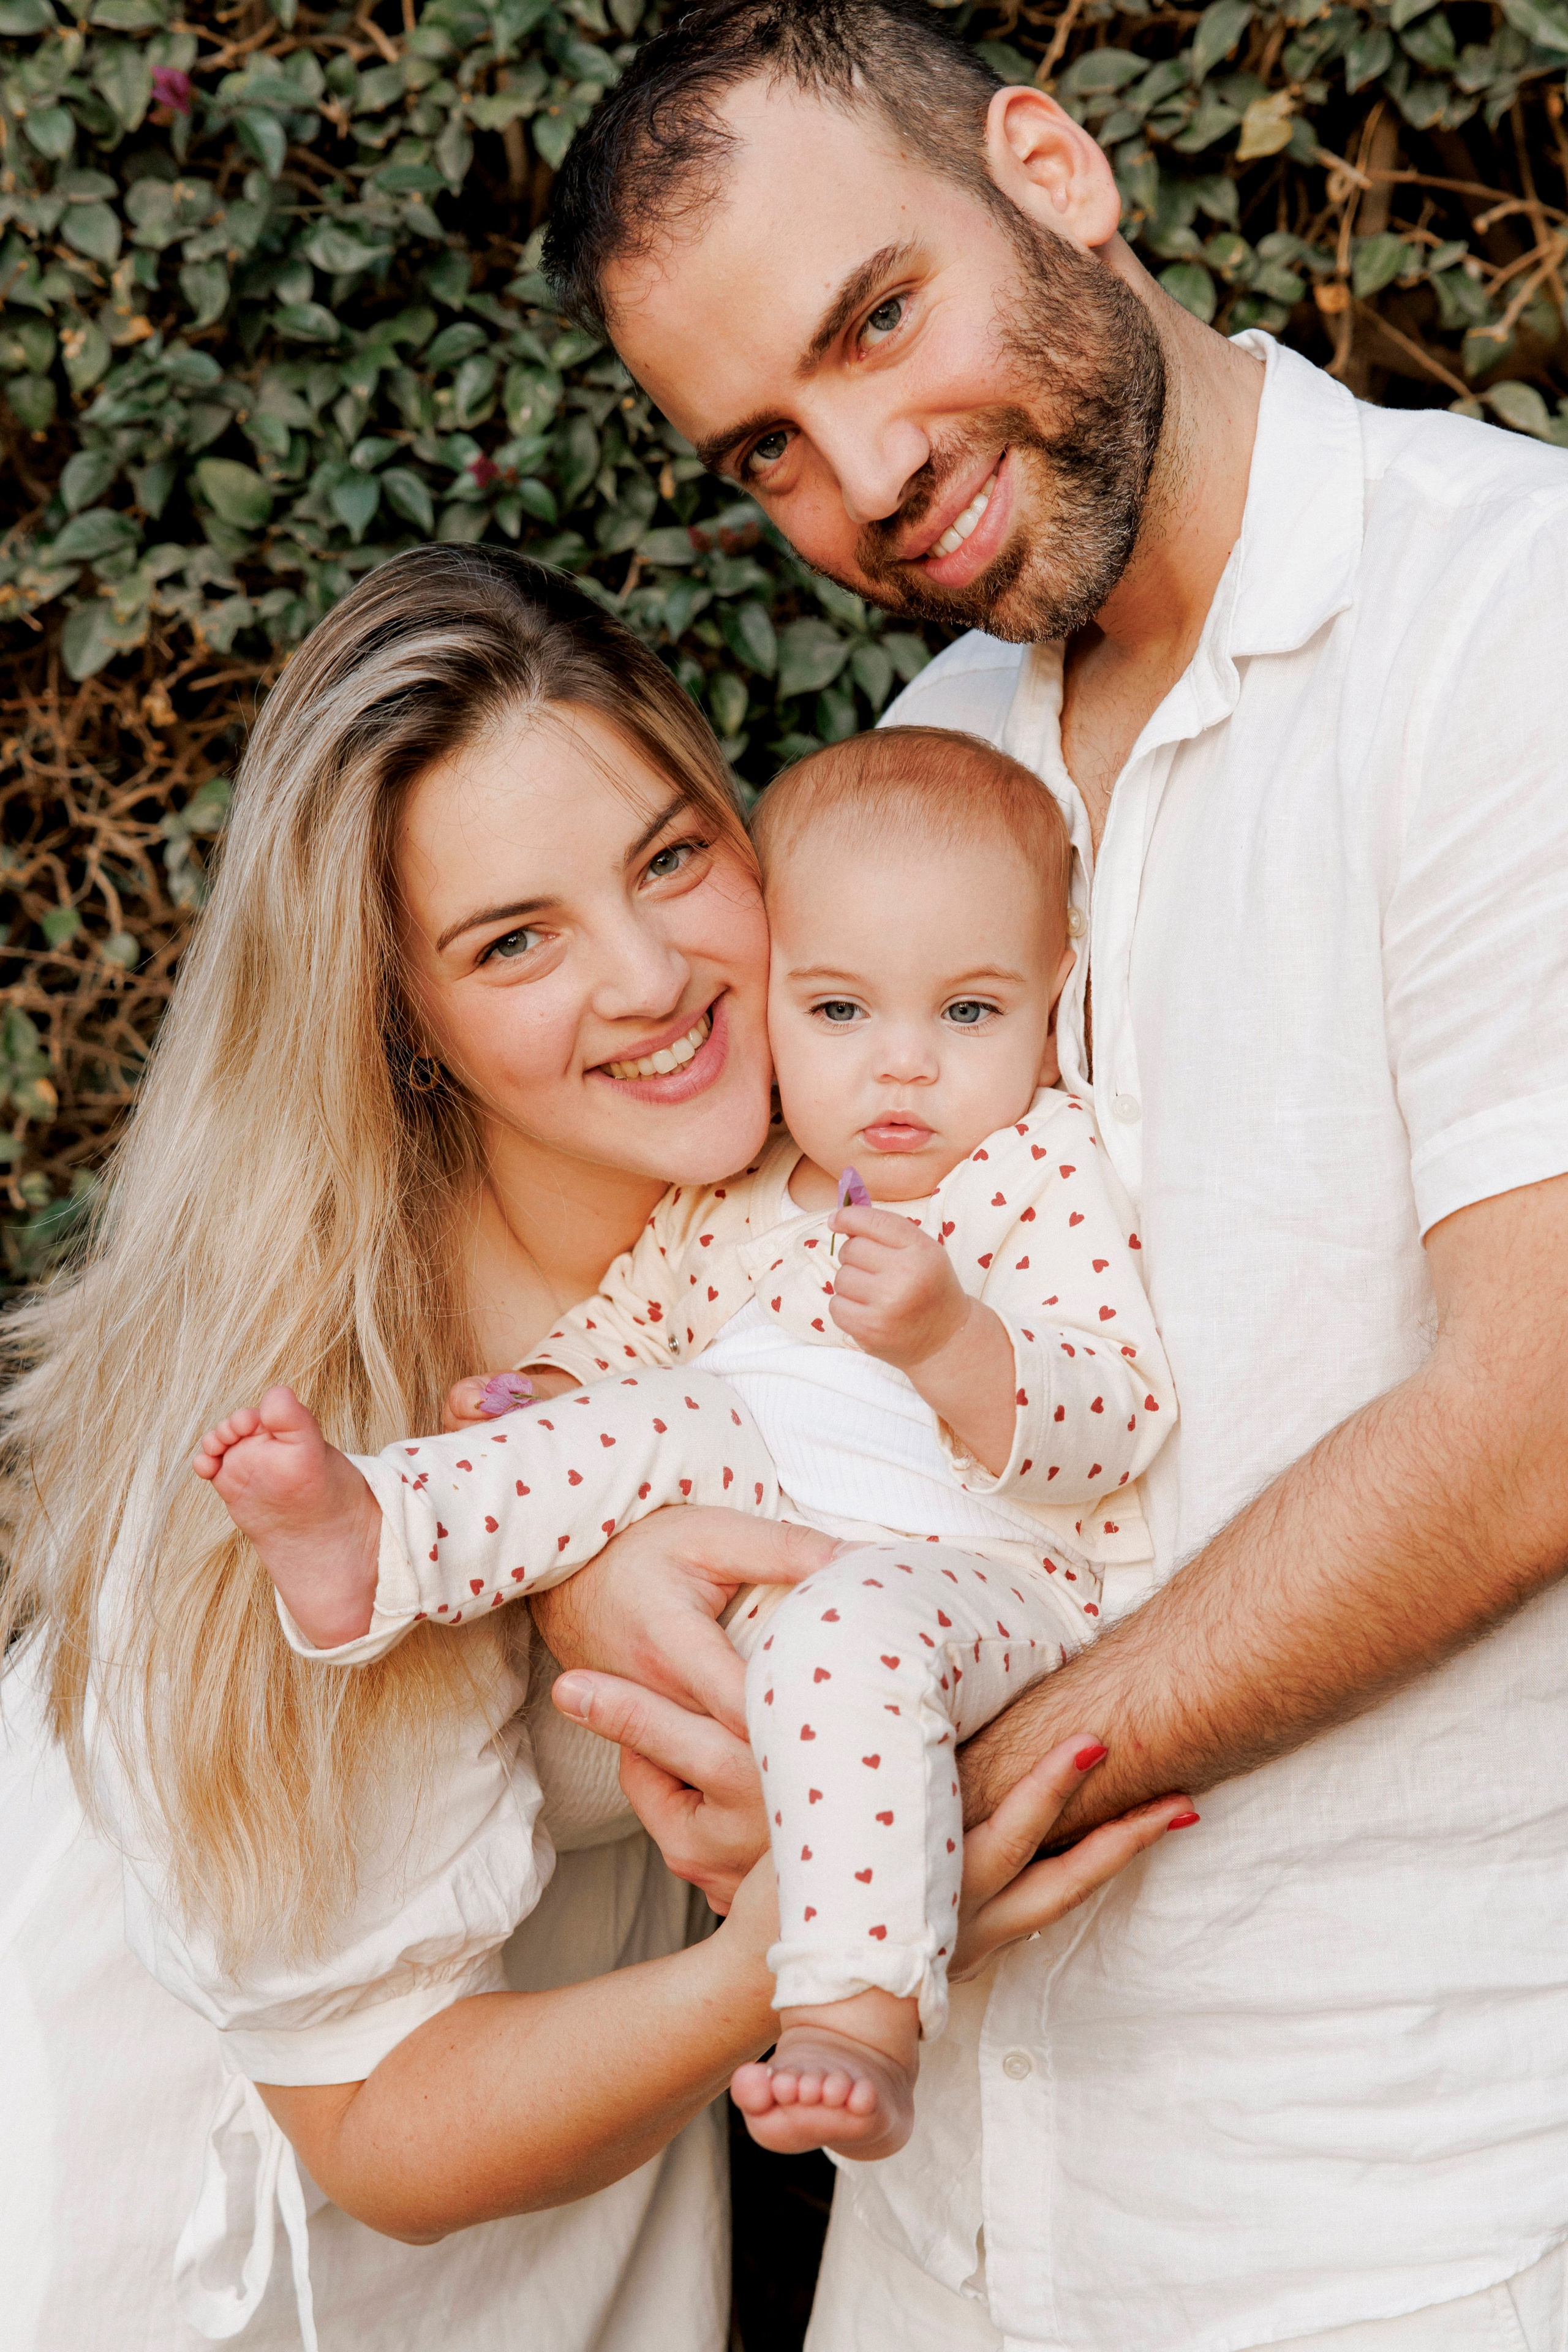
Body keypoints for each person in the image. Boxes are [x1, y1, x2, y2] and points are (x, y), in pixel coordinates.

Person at [535, 3, 1568, 2346]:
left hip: (1379, 2206)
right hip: (941, 2202)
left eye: (878, 318)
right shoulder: (928, 752)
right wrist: (633, 1603)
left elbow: (1532, 1419)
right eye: (767, 448)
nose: (866, 478)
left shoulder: (1507, 617)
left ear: (1055, 170)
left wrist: (916, 1783)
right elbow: (735, 1287)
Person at [0, 545, 1183, 2350]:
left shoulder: (838, 1184)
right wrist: (814, 1938)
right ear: (397, 1012)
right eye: (514, 941)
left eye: (670, 859)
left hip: (568, 2175)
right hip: (201, 2237)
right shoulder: (320, 1383)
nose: (649, 978)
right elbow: (375, 2126)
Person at [190, 725, 1184, 2165]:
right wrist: (539, 1396)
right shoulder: (732, 1197)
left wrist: (955, 1343)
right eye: (838, 1011)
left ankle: (853, 2017)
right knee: (661, 1412)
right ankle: (377, 1540)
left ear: (1053, 1005)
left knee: (845, 1634)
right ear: (778, 998)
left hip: (973, 1575)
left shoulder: (1034, 1172)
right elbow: (620, 1338)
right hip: (760, 1534)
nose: (902, 1066)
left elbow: (1116, 1415)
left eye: (968, 1013)